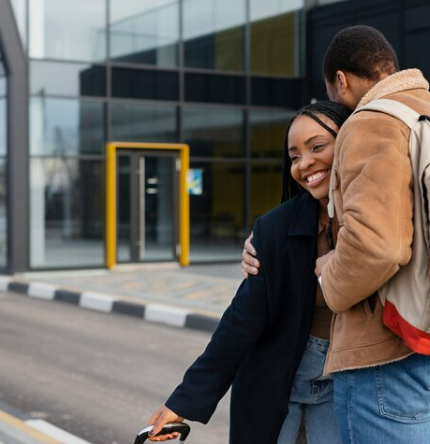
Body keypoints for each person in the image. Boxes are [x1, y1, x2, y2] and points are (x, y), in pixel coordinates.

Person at [242, 25, 430, 444]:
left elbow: (378, 247)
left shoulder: (372, 122)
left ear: (341, 81)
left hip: (397, 348)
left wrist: (328, 278)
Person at [144, 101, 354, 444]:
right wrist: (182, 401)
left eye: (317, 147)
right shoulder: (274, 230)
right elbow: (241, 321)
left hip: (344, 385)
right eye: (295, 156)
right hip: (275, 386)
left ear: (350, 141)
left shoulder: (379, 221)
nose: (305, 163)